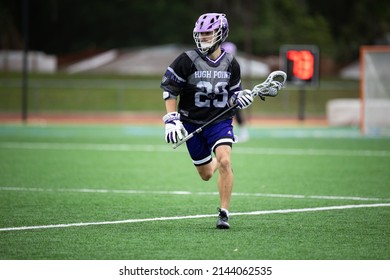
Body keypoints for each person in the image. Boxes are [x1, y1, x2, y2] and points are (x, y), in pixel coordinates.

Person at [160, 13, 254, 229]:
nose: (204, 38)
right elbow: (170, 90)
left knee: (225, 160)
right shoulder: (187, 60)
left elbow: (233, 95)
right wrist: (172, 120)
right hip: (191, 122)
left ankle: (224, 213)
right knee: (206, 174)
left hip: (219, 121)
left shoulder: (231, 63)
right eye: (201, 34)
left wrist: (240, 98)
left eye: (208, 33)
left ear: (221, 34)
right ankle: (214, 163)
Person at [221, 41, 250, 142]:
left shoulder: (234, 64)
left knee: (236, 111)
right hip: (220, 93)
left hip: (230, 92)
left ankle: (242, 131)